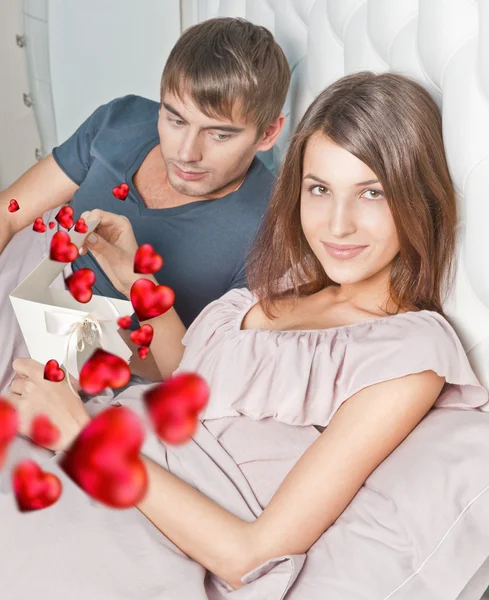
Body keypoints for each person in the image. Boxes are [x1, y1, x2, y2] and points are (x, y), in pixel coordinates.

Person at [3, 72, 488, 599]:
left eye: (372, 193)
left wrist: (81, 437)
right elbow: (187, 379)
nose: (338, 225)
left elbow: (248, 556)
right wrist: (134, 280)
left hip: (131, 525)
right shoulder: (288, 285)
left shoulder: (408, 354)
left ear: (419, 198)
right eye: (319, 189)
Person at [0, 17, 290, 395]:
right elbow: (11, 210)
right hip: (25, 275)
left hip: (103, 363)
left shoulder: (270, 230)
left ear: (268, 133)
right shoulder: (121, 120)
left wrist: (136, 286)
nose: (187, 153)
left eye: (219, 134)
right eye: (175, 119)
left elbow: (188, 373)